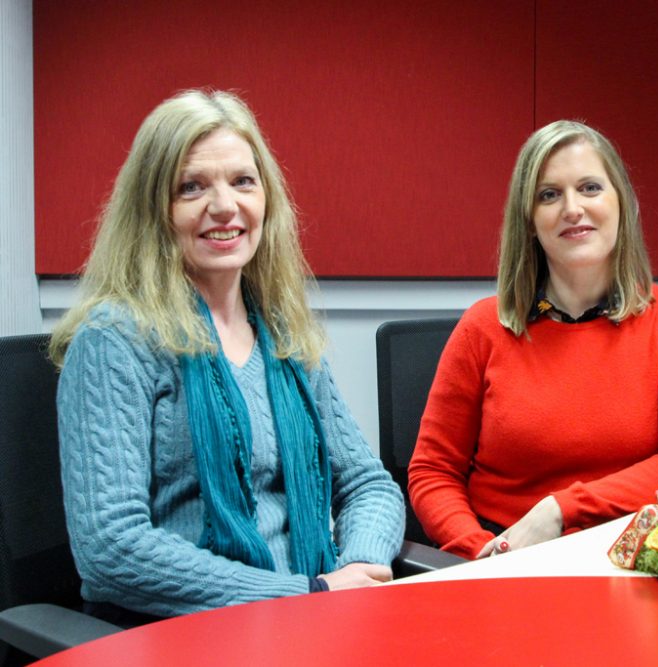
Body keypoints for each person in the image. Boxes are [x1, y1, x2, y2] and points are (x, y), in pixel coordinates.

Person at [50, 90, 404, 623]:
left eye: (243, 181)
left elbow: (368, 484)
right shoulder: (115, 341)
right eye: (192, 187)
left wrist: (358, 568)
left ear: (267, 198)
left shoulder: (283, 334)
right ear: (154, 210)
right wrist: (305, 594)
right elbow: (111, 550)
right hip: (187, 634)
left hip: (316, 616)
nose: (224, 206)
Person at [408, 120, 658, 560]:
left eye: (590, 188)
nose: (572, 208)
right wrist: (482, 551)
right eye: (549, 195)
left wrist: (561, 509)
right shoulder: (483, 327)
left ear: (622, 204)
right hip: (503, 556)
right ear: (530, 220)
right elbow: (433, 471)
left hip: (635, 557)